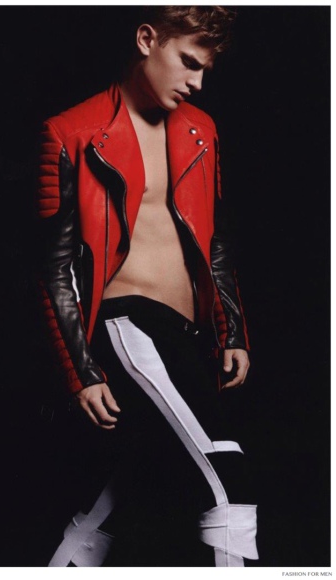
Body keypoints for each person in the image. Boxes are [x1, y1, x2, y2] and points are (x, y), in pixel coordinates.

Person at [37, 6, 258, 567]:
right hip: (127, 326)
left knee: (115, 495)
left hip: (187, 336)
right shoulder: (72, 132)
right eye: (188, 63)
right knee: (227, 482)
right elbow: (55, 268)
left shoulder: (201, 130)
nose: (197, 82)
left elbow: (214, 240)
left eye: (205, 70)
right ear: (146, 39)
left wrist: (232, 330)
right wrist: (82, 372)